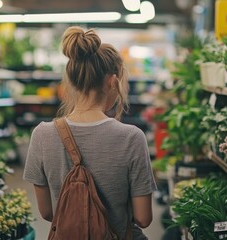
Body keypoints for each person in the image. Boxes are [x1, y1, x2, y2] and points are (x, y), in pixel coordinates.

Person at [23, 26, 157, 239]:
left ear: (72, 81)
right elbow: (143, 218)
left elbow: (48, 212)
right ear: (112, 81)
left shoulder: (41, 135)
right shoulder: (132, 138)